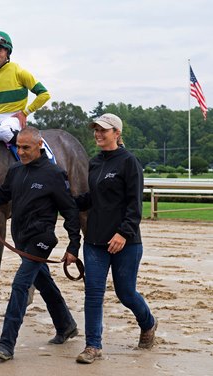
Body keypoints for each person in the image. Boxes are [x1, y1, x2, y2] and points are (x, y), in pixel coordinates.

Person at [0, 126, 81, 361]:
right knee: (45, 283)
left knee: (20, 286)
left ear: (40, 146)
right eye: (18, 147)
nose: (20, 152)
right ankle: (66, 325)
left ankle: (6, 344)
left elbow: (70, 212)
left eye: (26, 148)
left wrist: (73, 246)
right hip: (20, 238)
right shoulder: (16, 171)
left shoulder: (54, 174)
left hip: (41, 241)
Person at [75, 113, 157, 364]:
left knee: (126, 293)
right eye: (96, 130)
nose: (98, 134)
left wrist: (123, 233)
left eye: (104, 130)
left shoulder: (129, 162)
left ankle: (148, 322)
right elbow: (92, 199)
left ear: (117, 133)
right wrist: (65, 201)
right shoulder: (95, 163)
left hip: (126, 243)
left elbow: (135, 205)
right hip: (95, 241)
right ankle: (93, 346)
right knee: (93, 292)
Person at [0, 31, 54, 161]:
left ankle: (42, 152)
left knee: (3, 132)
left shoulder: (19, 72)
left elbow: (44, 94)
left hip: (13, 117)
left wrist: (25, 112)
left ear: (7, 52)